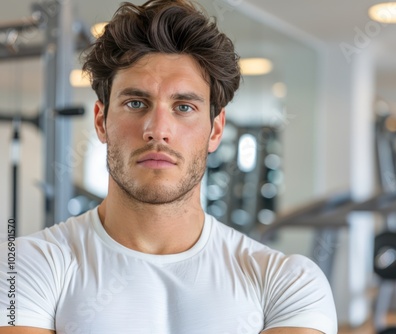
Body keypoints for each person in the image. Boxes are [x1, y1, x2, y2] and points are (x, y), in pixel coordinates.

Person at [0, 0, 337, 333]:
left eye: (184, 107)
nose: (158, 130)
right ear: (101, 122)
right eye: (135, 103)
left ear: (215, 130)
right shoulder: (22, 267)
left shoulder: (288, 283)